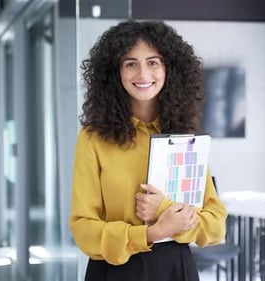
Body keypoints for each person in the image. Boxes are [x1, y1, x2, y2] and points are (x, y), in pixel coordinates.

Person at [69, 20, 227, 281]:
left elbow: (216, 226)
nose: (143, 74)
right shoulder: (93, 139)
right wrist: (150, 233)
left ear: (169, 69)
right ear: (115, 72)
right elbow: (83, 229)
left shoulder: (184, 139)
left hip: (177, 268)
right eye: (131, 64)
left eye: (153, 62)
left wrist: (163, 209)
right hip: (115, 270)